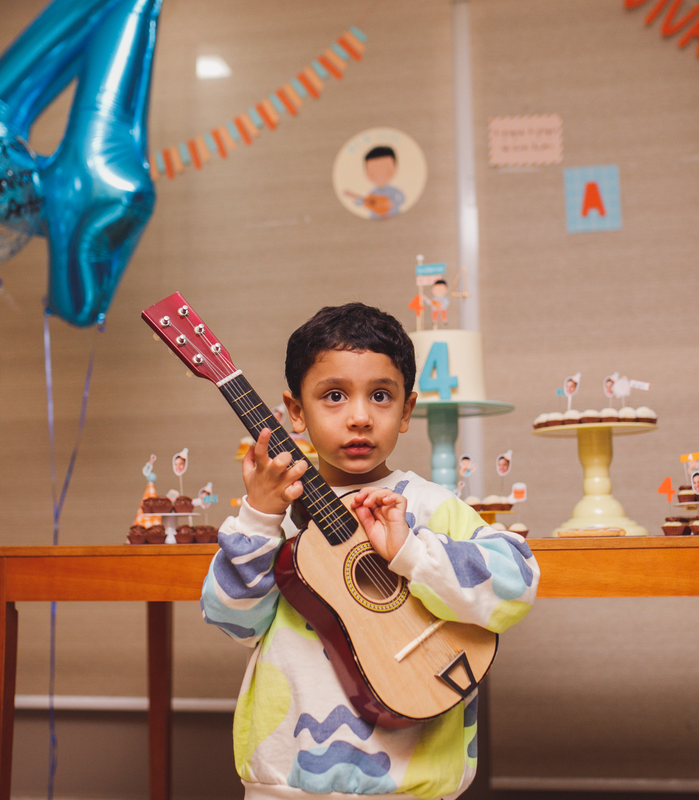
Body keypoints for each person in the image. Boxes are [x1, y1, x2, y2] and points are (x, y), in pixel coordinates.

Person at [201, 303, 539, 800]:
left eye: (380, 396)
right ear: (296, 411)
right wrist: (257, 517)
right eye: (333, 396)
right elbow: (233, 621)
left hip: (412, 786)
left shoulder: (425, 506)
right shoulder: (275, 516)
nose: (359, 417)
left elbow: (517, 583)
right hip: (287, 784)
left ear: (406, 411)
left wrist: (410, 552)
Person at [345, 146, 405, 220]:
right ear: (367, 173)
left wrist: (391, 203)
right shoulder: (373, 193)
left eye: (385, 169)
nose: (379, 174)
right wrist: (354, 197)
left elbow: (401, 199)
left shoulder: (393, 191)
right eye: (373, 171)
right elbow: (365, 202)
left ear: (394, 168)